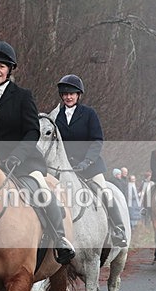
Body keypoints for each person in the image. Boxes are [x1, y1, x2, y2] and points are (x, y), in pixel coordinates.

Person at [0, 40, 74, 265]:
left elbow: (32, 131)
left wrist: (17, 155)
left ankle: (59, 238)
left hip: (22, 161)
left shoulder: (23, 95)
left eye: (1, 66)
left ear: (9, 69)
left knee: (41, 189)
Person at [52, 74, 127, 247]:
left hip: (89, 166)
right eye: (65, 94)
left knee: (104, 191)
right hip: (64, 168)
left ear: (78, 95)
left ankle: (118, 229)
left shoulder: (88, 114)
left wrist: (87, 161)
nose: (68, 97)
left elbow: (96, 140)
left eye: (72, 93)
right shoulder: (56, 117)